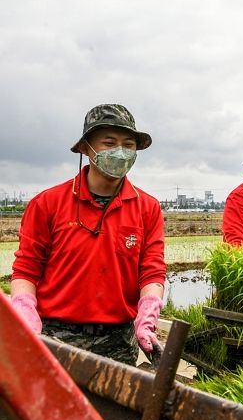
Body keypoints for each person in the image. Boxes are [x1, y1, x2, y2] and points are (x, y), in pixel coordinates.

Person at [10, 104, 165, 365]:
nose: (121, 151)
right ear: (85, 148)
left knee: (111, 407)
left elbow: (152, 270)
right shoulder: (47, 203)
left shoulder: (147, 207)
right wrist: (24, 308)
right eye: (109, 142)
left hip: (118, 341)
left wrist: (148, 312)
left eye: (129, 144)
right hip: (55, 337)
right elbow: (27, 268)